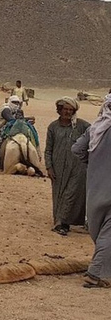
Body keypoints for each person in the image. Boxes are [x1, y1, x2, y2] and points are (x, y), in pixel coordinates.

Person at [71, 94, 111, 288]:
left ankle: (104, 272)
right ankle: (95, 274)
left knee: (100, 230)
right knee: (109, 233)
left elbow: (77, 149)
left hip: (95, 188)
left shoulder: (94, 129)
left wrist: (93, 164)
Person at [45, 97, 91, 236]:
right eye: (65, 109)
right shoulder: (53, 127)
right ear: (60, 110)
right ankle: (59, 221)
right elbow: (48, 149)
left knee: (71, 194)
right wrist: (49, 167)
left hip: (77, 168)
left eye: (71, 110)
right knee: (58, 194)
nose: (68, 112)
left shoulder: (82, 126)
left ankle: (63, 222)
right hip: (57, 167)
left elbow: (95, 134)